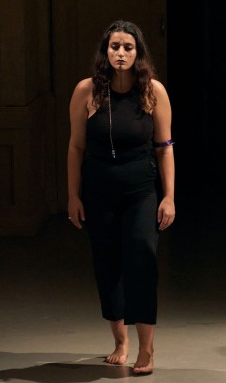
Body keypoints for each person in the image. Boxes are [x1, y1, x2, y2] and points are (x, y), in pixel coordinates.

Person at [67, 20, 175, 375]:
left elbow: (164, 147)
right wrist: (72, 195)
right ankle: (120, 342)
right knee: (108, 263)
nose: (121, 53)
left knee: (142, 259)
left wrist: (169, 196)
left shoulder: (152, 91)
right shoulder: (87, 91)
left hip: (141, 190)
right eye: (115, 46)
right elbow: (76, 146)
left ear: (138, 52)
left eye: (128, 47)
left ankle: (146, 348)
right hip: (99, 190)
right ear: (105, 51)